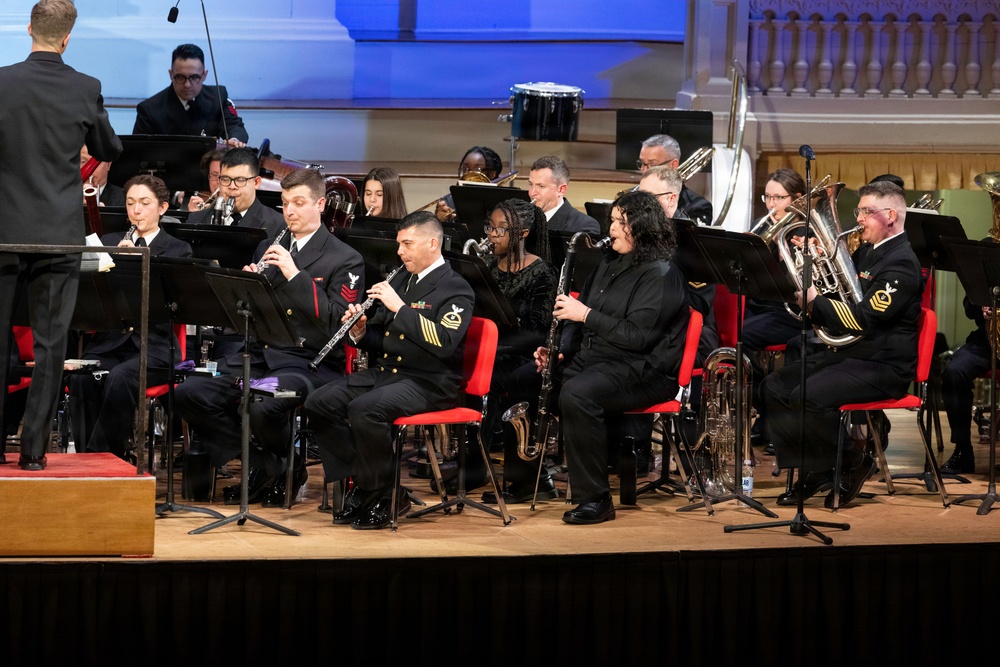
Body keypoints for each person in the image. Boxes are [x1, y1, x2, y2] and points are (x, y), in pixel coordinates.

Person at [174, 168, 364, 506]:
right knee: (191, 392)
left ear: (320, 205)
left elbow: (336, 323)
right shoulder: (268, 246)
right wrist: (247, 289)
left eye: (299, 203)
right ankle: (274, 465)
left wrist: (294, 274)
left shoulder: (346, 258)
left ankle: (273, 469)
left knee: (264, 403)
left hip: (307, 364)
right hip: (260, 355)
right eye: (285, 203)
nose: (290, 211)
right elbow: (249, 314)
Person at [503, 191, 691, 522]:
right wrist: (559, 353)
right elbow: (576, 322)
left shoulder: (661, 274)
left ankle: (596, 499)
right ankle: (529, 481)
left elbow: (637, 337)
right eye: (613, 221)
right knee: (523, 378)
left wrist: (586, 314)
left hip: (643, 371)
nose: (612, 229)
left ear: (643, 228)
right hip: (598, 360)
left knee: (578, 394)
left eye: (621, 223)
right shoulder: (608, 263)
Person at [0, 0, 122, 471]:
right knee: (51, 344)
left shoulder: (3, 82)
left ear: (28, 28)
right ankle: (33, 452)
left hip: (4, 231)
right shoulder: (85, 87)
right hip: (57, 233)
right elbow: (109, 147)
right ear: (68, 38)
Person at [304, 211, 475, 530]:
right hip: (390, 374)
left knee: (364, 410)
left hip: (430, 382)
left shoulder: (456, 288)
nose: (400, 251)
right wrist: (359, 330)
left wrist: (400, 308)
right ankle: (372, 485)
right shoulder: (401, 280)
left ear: (433, 244)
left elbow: (443, 342)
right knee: (319, 403)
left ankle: (382, 494)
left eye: (407, 244)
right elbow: (381, 337)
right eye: (399, 244)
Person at [762, 181, 922, 507]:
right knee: (773, 387)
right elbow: (842, 292)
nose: (858, 218)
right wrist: (817, 260)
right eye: (859, 211)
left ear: (891, 215)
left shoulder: (902, 264)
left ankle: (854, 462)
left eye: (866, 211)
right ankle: (816, 469)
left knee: (807, 396)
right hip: (851, 355)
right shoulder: (867, 250)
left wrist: (815, 302)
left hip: (883, 365)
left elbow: (863, 319)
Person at [433, 198, 558, 499]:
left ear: (523, 233)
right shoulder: (486, 266)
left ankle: (500, 471)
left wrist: (494, 348)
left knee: (490, 376)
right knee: (451, 367)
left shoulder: (542, 273)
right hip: (492, 350)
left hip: (522, 355)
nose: (492, 235)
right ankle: (467, 461)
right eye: (490, 227)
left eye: (501, 229)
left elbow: (538, 333)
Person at [68, 175, 193, 459]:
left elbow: (175, 304)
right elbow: (92, 296)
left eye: (144, 203)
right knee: (80, 378)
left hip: (155, 347)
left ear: (162, 208)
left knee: (120, 377)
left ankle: (103, 457)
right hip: (110, 342)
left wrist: (136, 265)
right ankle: (93, 459)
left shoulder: (178, 249)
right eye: (130, 203)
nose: (136, 210)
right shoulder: (109, 242)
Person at [741, 168, 807, 446]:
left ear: (797, 199)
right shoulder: (762, 225)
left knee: (740, 337)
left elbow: (803, 285)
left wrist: (785, 253)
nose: (771, 204)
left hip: (790, 312)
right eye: (767, 197)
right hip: (761, 305)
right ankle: (765, 411)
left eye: (778, 198)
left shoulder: (806, 232)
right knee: (723, 332)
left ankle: (769, 412)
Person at [638, 165, 718, 365]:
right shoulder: (641, 234)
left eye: (648, 198)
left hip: (687, 335)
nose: (640, 205)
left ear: (671, 199)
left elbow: (698, 305)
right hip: (648, 327)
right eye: (639, 196)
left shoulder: (697, 244)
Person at [940, 253, 996, 474]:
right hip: (987, 339)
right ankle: (963, 450)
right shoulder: (986, 252)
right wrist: (981, 305)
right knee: (954, 371)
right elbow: (969, 307)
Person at [133, 43, 248, 146]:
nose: (187, 85)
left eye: (194, 77)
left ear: (204, 75)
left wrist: (234, 140)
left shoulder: (217, 96)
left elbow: (234, 125)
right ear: (171, 74)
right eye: (180, 77)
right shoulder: (150, 109)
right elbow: (139, 151)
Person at [184, 147, 284, 237]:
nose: (232, 187)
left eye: (240, 180)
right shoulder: (196, 219)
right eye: (225, 179)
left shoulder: (277, 225)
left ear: (256, 182)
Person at [638, 134, 713, 225]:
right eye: (642, 163)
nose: (644, 170)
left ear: (673, 165)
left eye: (653, 164)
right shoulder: (631, 195)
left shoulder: (698, 206)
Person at [527, 156, 600, 235]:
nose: (532, 193)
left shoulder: (584, 225)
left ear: (561, 189)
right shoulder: (523, 218)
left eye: (541, 186)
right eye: (531, 184)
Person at [434, 146, 504, 223]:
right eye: (465, 169)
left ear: (492, 174)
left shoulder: (502, 203)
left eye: (478, 169)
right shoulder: (449, 201)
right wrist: (439, 221)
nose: (469, 174)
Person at [184, 148, 226, 212]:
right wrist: (195, 216)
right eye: (214, 175)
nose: (218, 181)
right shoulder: (205, 211)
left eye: (224, 177)